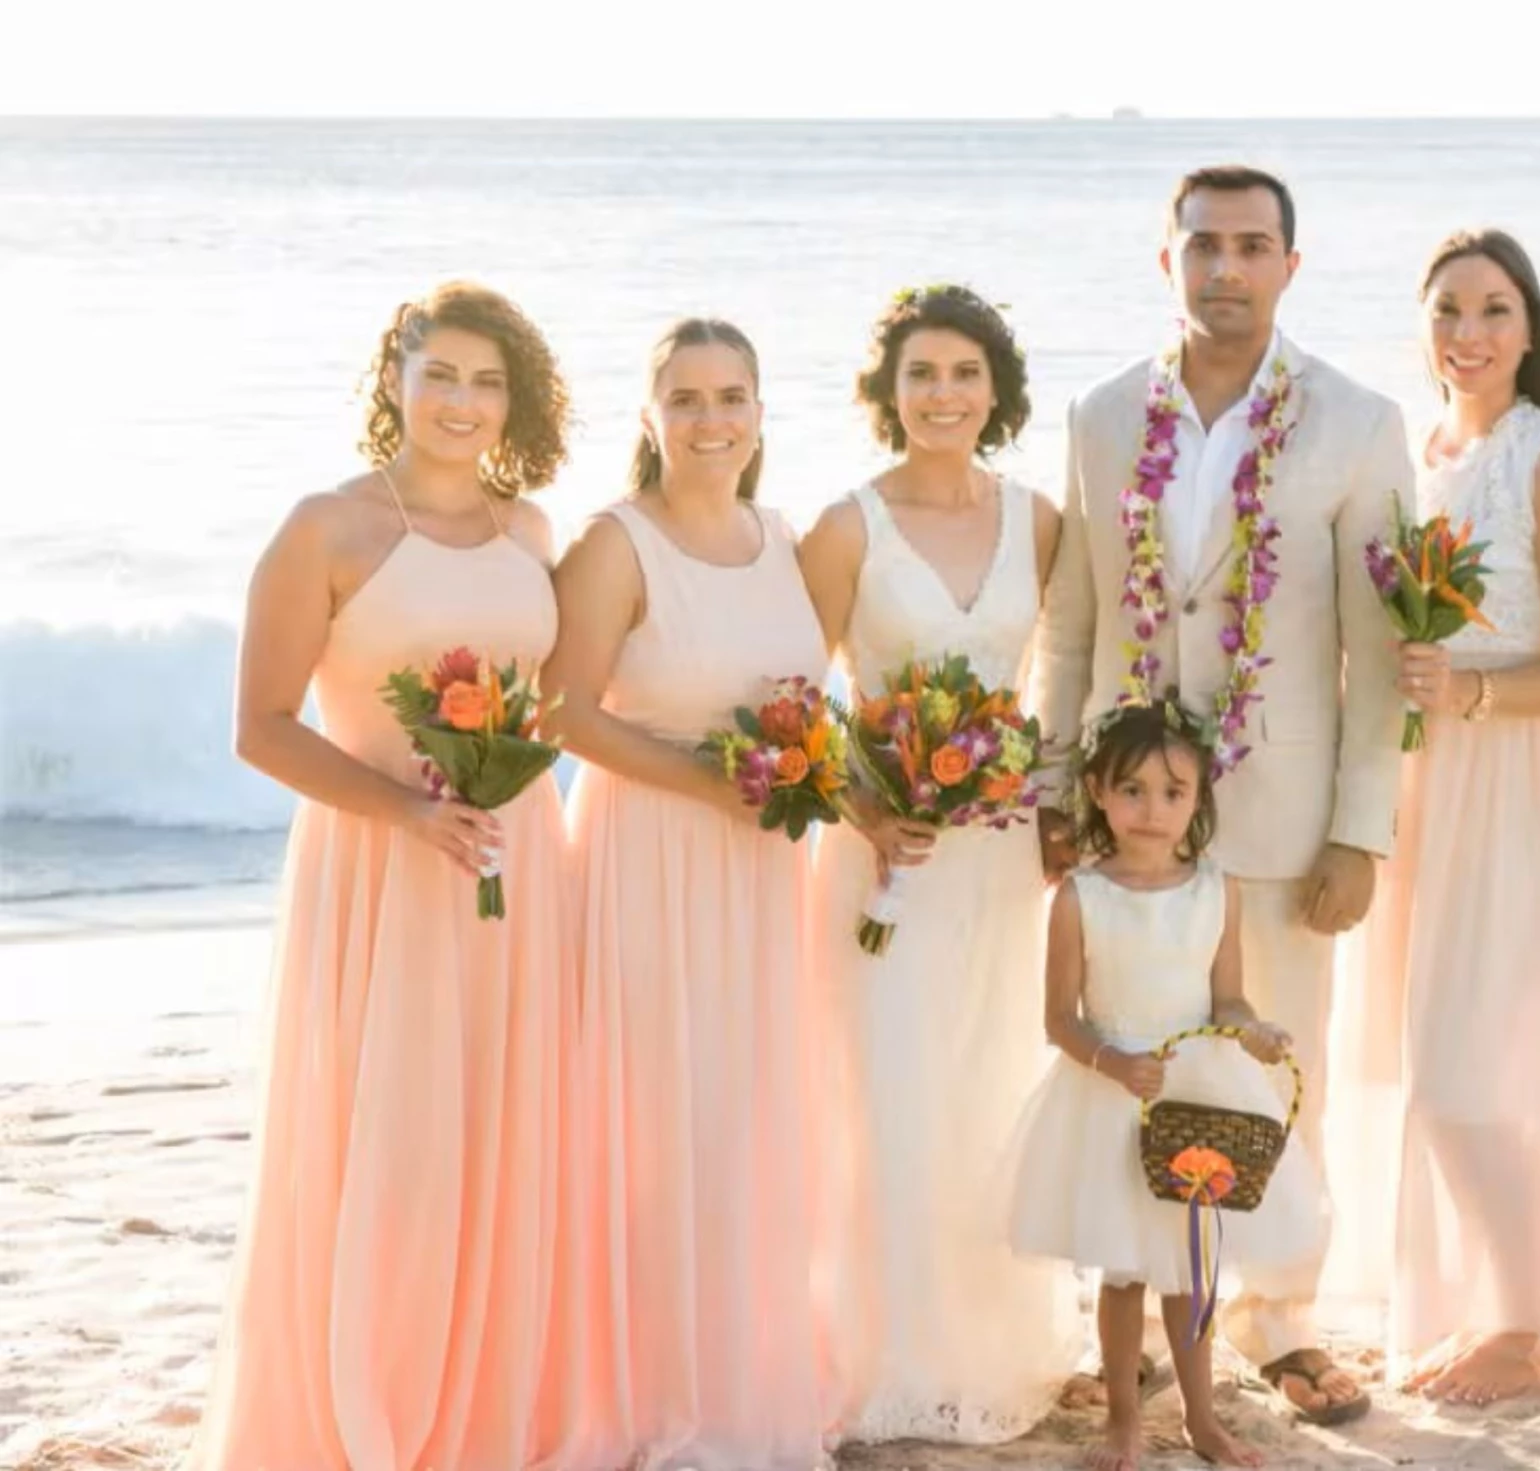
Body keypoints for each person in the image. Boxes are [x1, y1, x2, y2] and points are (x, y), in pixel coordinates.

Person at [1037, 164, 1409, 1423]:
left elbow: (1377, 648)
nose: (1227, 268)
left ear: (1290, 266)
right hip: (1122, 821)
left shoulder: (1356, 421)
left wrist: (1360, 827)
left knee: (1274, 1069)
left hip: (1281, 813)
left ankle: (1281, 1318)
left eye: (1253, 246)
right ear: (1169, 262)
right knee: (1125, 1072)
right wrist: (1057, 787)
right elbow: (1072, 621)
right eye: (1204, 245)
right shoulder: (1099, 415)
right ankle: (1142, 1316)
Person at [189, 281, 573, 1470]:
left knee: (502, 1137)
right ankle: (369, 1406)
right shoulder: (328, 528)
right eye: (440, 373)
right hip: (379, 868)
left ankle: (480, 1407)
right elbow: (260, 727)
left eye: (488, 381)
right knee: (390, 1147)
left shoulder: (532, 532)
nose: (462, 401)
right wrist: (411, 812)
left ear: (516, 401)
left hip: (520, 868)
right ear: (394, 378)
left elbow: (551, 704)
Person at [537, 318, 865, 1468]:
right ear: (650, 416)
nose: (710, 419)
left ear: (762, 413)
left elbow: (808, 707)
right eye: (685, 398)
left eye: (731, 397)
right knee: (654, 1126)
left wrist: (840, 791)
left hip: (761, 868)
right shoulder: (614, 543)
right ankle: (649, 1390)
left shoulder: (784, 541)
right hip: (646, 860)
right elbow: (561, 712)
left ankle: (740, 1372)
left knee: (749, 1119)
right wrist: (711, 786)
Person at [1335, 229, 1540, 1404]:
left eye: (1494, 309)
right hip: (1414, 776)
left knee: (1475, 1063)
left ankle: (1521, 1319)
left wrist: (1474, 693)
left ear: (1529, 324)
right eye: (1447, 308)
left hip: (1508, 774)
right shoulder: (1415, 450)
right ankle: (1471, 1302)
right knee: (1412, 1056)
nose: (1468, 332)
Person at [797, 283, 1079, 1443]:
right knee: (892, 1094)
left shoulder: (1039, 521)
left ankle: (995, 1340)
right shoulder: (845, 528)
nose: (943, 395)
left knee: (992, 1087)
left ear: (996, 390)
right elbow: (795, 702)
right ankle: (890, 1351)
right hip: (888, 858)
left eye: (965, 373)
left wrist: (1055, 807)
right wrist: (866, 807)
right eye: (921, 374)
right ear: (888, 390)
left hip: (1001, 856)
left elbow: (1059, 676)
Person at [1006, 696, 1327, 1470]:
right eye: (1132, 790)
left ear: (1198, 797)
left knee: (1191, 1266)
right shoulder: (1079, 897)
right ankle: (1122, 1417)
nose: (1152, 810)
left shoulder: (1218, 889)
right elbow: (1059, 1020)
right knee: (1123, 1272)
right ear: (1097, 790)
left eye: (1173, 792)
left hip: (1196, 1096)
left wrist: (1252, 1029)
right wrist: (1114, 1063)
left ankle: (1201, 1417)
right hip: (1113, 1099)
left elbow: (1227, 1000)